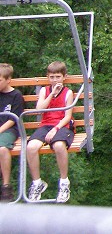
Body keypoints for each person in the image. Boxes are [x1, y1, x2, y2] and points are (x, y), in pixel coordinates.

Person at [26, 61, 74, 203]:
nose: (55, 80)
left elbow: (67, 116)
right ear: (48, 77)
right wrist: (52, 93)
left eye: (58, 77)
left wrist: (55, 130)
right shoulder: (44, 91)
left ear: (64, 77)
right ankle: (37, 183)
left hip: (61, 126)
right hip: (45, 125)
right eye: (52, 77)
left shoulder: (68, 93)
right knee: (31, 147)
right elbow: (40, 109)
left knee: (59, 146)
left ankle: (64, 182)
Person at [0, 63, 24, 202]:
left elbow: (13, 119)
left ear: (8, 79)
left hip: (9, 129)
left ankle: (6, 186)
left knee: (2, 149)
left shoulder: (16, 95)